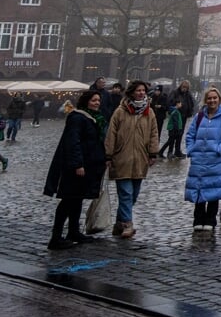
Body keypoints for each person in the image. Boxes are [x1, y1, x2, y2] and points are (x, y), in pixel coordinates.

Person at [44, 88, 107, 249]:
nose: (97, 103)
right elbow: (73, 142)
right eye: (94, 100)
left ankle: (73, 231)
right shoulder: (78, 118)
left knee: (77, 199)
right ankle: (56, 237)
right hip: (76, 166)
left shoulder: (94, 118)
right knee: (68, 199)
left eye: (98, 100)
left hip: (88, 165)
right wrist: (77, 164)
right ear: (86, 101)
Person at [105, 80, 158, 239]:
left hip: (140, 158)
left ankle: (119, 222)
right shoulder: (120, 112)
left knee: (133, 194)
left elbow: (154, 132)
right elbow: (111, 133)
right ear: (131, 92)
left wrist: (153, 152)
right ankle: (128, 224)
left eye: (143, 90)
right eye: (138, 90)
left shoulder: (149, 112)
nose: (141, 93)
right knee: (126, 193)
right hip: (122, 157)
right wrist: (108, 154)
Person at [183, 86, 221, 231]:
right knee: (199, 188)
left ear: (219, 99)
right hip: (199, 159)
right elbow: (190, 135)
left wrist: (219, 150)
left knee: (213, 189)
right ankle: (198, 219)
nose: (212, 101)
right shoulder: (199, 116)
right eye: (209, 98)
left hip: (216, 159)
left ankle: (210, 219)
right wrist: (192, 149)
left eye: (215, 98)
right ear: (205, 100)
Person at [163, 81, 194, 159]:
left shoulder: (188, 94)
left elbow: (191, 103)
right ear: (181, 86)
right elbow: (169, 103)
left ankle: (177, 151)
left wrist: (189, 112)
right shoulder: (175, 93)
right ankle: (170, 151)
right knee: (173, 134)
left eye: (186, 88)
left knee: (180, 134)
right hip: (176, 116)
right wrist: (176, 105)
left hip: (183, 116)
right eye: (184, 87)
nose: (185, 89)